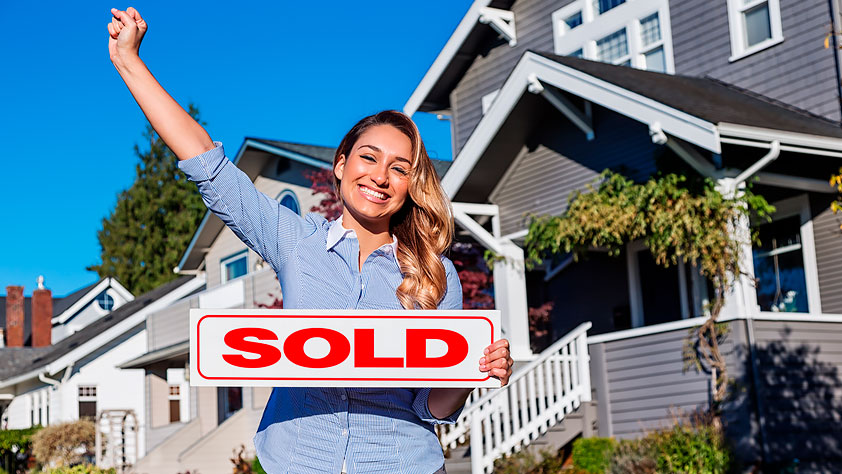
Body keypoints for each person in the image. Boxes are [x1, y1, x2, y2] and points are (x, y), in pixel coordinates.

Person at [107, 7, 514, 474]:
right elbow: (207, 164)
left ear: (409, 185)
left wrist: (470, 371)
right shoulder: (294, 241)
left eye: (399, 168)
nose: (380, 177)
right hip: (298, 462)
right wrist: (129, 62)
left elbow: (433, 408)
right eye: (369, 157)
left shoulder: (435, 276)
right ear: (341, 165)